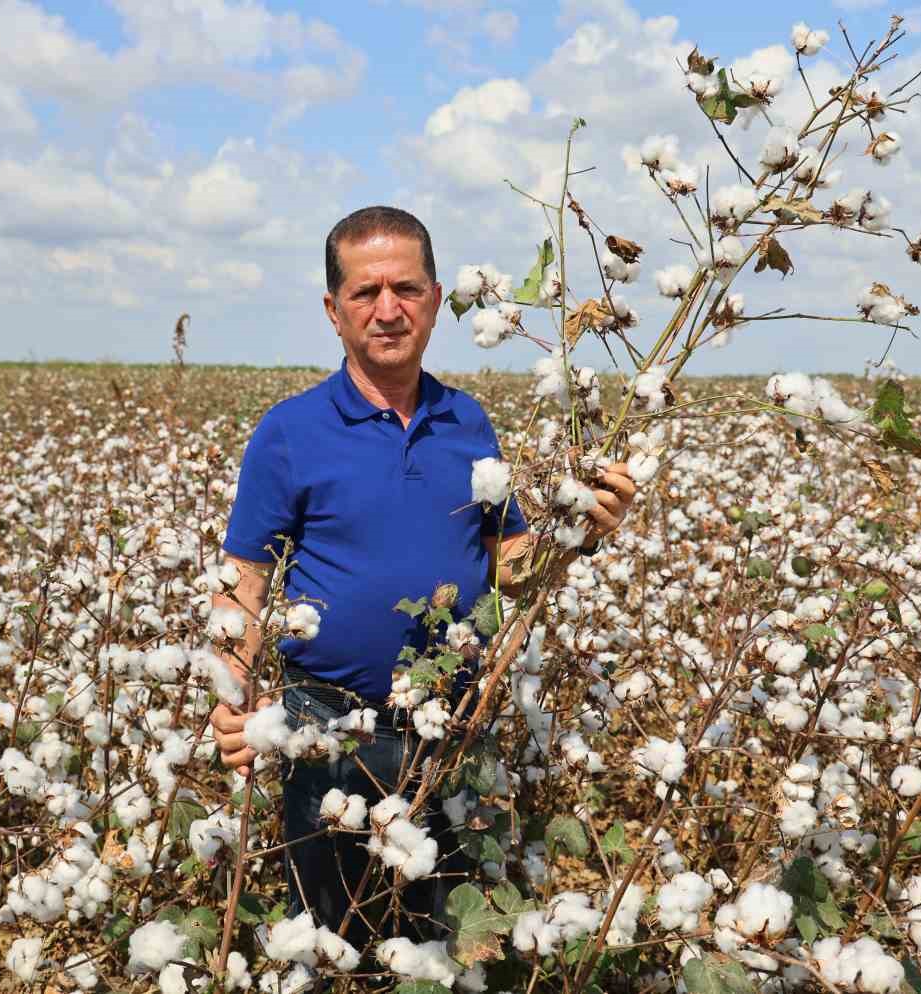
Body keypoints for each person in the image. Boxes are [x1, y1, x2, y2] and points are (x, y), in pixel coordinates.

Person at [208, 205, 636, 949]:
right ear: (333, 311)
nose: (387, 310)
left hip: (456, 728)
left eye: (405, 289)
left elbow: (509, 565)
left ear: (435, 300)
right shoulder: (289, 432)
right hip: (324, 729)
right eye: (365, 293)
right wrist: (233, 705)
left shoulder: (467, 422)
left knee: (448, 939)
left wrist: (578, 531)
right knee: (335, 939)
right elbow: (242, 583)